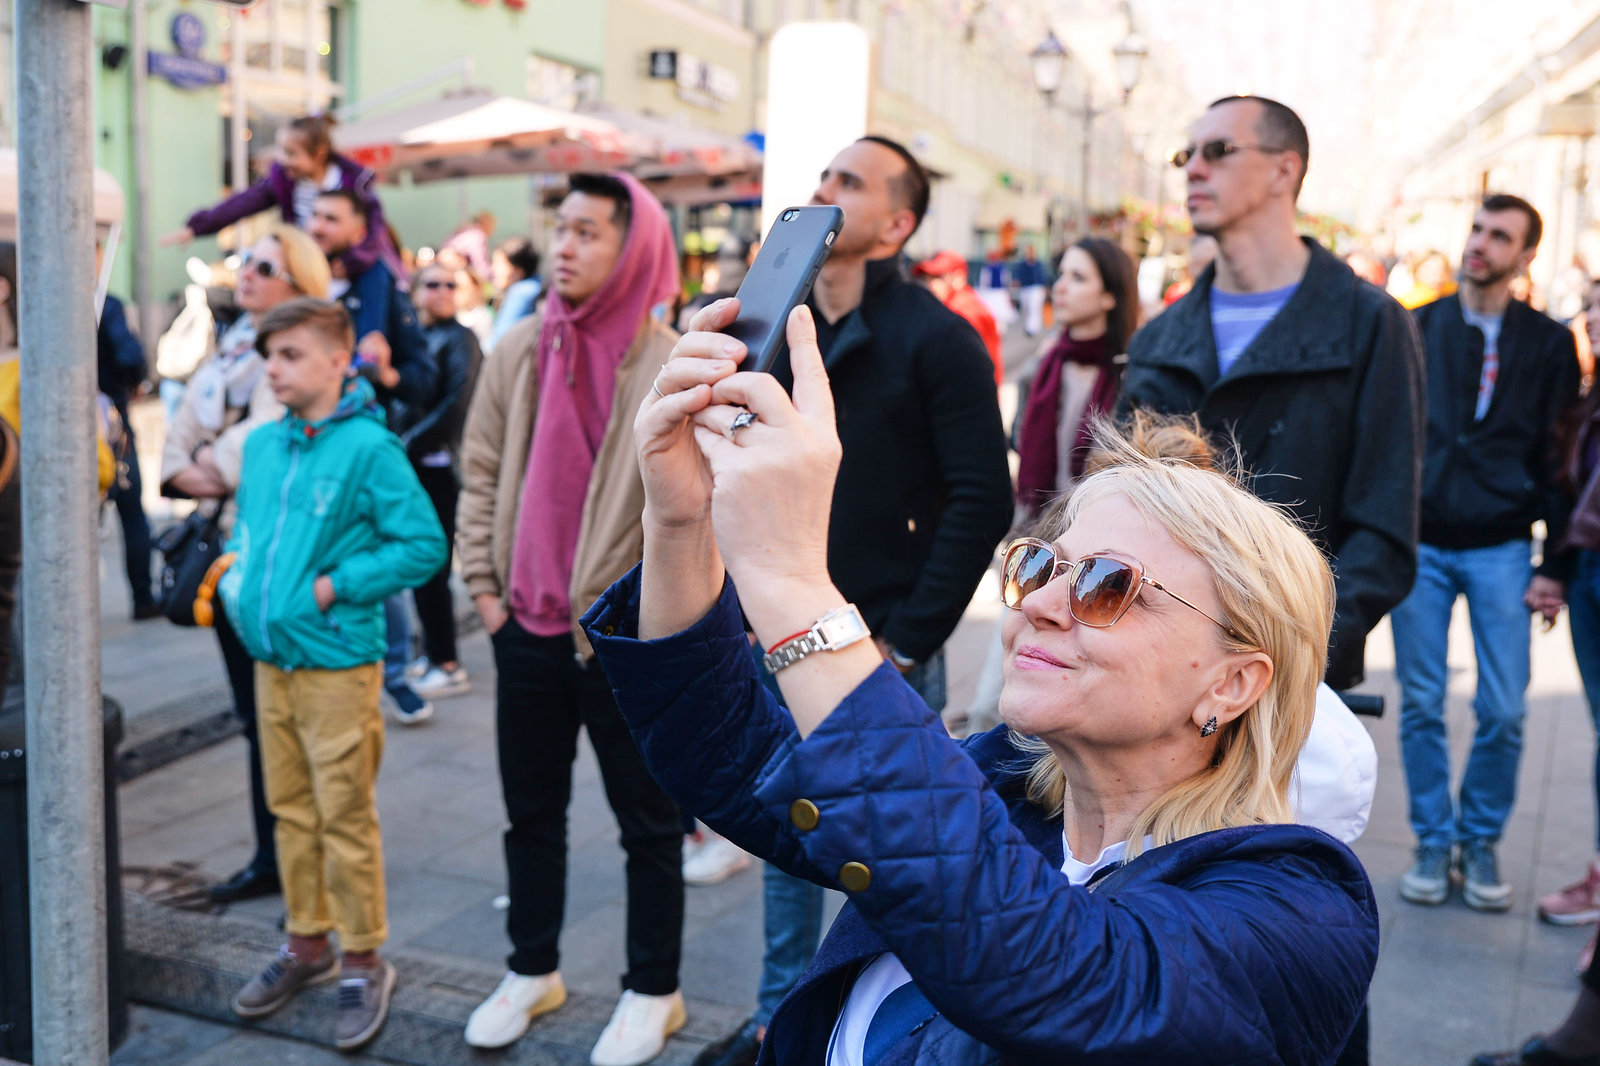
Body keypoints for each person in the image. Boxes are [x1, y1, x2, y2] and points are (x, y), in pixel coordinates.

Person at [590, 303, 1379, 1065]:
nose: (1037, 603)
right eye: (1039, 563)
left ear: (1234, 683)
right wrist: (681, 518)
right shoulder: (1007, 787)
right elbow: (731, 756)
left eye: (1106, 585)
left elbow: (1056, 974)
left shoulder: (1298, 910)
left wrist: (793, 580)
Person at [692, 135, 1013, 1066]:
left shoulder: (938, 338)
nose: (826, 190)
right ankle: (776, 1016)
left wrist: (911, 634)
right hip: (775, 619)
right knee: (785, 824)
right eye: (825, 175)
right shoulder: (772, 324)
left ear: (897, 223)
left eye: (850, 182)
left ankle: (891, 1025)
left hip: (881, 638)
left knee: (897, 845)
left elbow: (980, 498)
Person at [456, 172, 687, 1066]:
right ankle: (532, 969)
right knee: (530, 812)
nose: (565, 246)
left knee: (648, 823)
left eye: (589, 232)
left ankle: (653, 990)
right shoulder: (519, 347)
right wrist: (484, 589)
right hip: (526, 627)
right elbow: (480, 472)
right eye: (560, 229)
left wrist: (656, 621)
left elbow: (693, 507)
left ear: (632, 248)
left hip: (622, 638)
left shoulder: (671, 360)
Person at [1118, 94, 1424, 698]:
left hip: (1291, 685)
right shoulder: (1160, 336)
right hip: (1154, 681)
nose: (1193, 169)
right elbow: (1115, 504)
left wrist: (1296, 655)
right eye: (1187, 154)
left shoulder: (1369, 325)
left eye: (1219, 151)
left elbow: (1384, 528)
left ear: (1285, 170)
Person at [218, 298, 446, 1051]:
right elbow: (251, 531)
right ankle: (306, 941)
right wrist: (236, 580)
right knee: (290, 808)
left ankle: (363, 957)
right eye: (268, 355)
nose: (272, 368)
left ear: (335, 360)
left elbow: (422, 544)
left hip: (337, 664)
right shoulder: (260, 446)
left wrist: (333, 585)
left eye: (289, 354)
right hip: (272, 660)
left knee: (343, 814)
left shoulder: (369, 449)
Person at [1395, 194, 1581, 913]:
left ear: (1526, 255)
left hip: (1504, 545)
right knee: (1420, 701)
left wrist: (1556, 564)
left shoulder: (1548, 342)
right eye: (1476, 230)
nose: (1479, 245)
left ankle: (1480, 839)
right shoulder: (1417, 326)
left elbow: (1561, 458)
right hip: (1423, 541)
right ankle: (1431, 840)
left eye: (1498, 236)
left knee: (1504, 708)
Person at [160, 226, 332, 905]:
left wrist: (213, 464)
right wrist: (202, 466)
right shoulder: (233, 347)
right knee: (253, 718)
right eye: (247, 263)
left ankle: (296, 858)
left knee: (283, 720)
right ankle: (275, 853)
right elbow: (174, 450)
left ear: (299, 284)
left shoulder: (290, 360)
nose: (249, 274)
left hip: (273, 558)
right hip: (225, 558)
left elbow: (256, 446)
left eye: (266, 266)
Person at [1537, 285, 1600, 975]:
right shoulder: (1589, 396)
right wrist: (1556, 569)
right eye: (1591, 305)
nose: (1593, 318)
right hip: (1588, 573)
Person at [163, 114, 403, 280]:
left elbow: (375, 231)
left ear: (319, 153)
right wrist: (198, 227)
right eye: (281, 151)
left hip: (351, 267)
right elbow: (244, 203)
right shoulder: (286, 181)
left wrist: (352, 262)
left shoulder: (353, 182)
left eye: (291, 153)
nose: (282, 159)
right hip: (310, 266)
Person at [400, 263, 483, 700]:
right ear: (414, 292)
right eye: (432, 284)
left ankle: (447, 661)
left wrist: (403, 444)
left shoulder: (461, 339)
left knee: (434, 566)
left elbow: (456, 406)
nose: (442, 291)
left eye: (451, 285)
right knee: (419, 568)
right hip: (413, 464)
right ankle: (430, 652)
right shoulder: (414, 340)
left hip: (440, 468)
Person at [1014, 237, 1139, 514]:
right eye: (1061, 274)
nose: (1060, 287)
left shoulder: (1132, 377)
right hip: (1038, 532)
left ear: (1110, 296)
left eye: (1078, 278)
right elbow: (1019, 441)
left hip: (1100, 534)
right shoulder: (1039, 368)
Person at [97, 280, 156, 619]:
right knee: (131, 512)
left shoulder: (36, 304)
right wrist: (132, 382)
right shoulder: (105, 303)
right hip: (110, 422)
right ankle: (144, 598)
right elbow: (130, 356)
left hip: (59, 423)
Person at [912, 251, 1002, 386]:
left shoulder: (965, 311)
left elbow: (965, 370)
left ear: (959, 278)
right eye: (927, 278)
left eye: (938, 277)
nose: (930, 284)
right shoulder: (952, 306)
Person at [489, 237, 542, 350]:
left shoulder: (522, 293)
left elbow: (499, 343)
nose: (493, 270)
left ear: (518, 270)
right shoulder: (538, 286)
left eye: (498, 264)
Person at [1014, 245, 1050, 336]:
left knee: (1034, 308)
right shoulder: (1022, 264)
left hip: (1036, 289)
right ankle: (1028, 327)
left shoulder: (1038, 264)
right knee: (1027, 309)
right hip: (1025, 288)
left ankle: (1033, 328)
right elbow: (1017, 277)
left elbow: (1043, 278)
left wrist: (1046, 289)